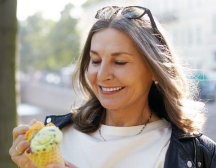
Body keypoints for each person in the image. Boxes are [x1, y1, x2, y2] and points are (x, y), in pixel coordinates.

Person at [9, 6, 216, 168]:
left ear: (154, 69)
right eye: (96, 61)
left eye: (120, 62)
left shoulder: (197, 154)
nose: (102, 75)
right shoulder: (60, 138)